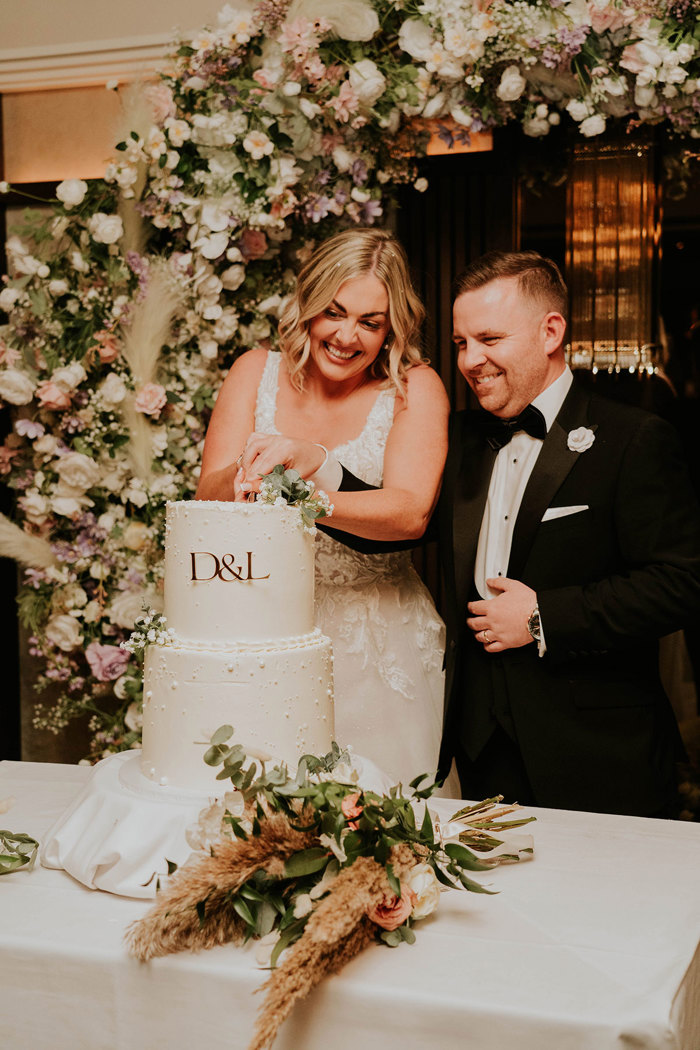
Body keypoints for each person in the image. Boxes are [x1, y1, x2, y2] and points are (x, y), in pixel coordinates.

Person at [438, 249, 700, 816]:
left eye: (488, 338)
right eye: (461, 343)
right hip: (480, 750)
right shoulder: (459, 438)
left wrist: (542, 618)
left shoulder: (632, 438)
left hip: (598, 754)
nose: (470, 360)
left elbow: (681, 583)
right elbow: (401, 517)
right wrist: (315, 466)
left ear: (550, 331)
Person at [196, 228, 453, 788]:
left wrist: (305, 481)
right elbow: (205, 498)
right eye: (333, 312)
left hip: (376, 641)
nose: (345, 336)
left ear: (392, 328)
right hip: (266, 630)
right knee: (261, 818)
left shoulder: (416, 388)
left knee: (381, 825)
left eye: (370, 321)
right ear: (308, 305)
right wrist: (248, 469)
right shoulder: (253, 372)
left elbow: (411, 512)